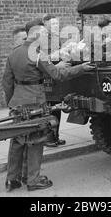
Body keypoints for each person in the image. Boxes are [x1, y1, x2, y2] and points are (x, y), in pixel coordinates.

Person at [2, 19, 94, 192]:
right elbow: (58, 74)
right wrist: (81, 68)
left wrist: (11, 101)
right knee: (36, 141)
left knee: (17, 141)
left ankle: (12, 179)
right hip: (34, 103)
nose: (46, 37)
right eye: (44, 34)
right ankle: (33, 180)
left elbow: (6, 82)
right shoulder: (37, 53)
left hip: (17, 103)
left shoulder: (13, 54)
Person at [42, 14, 66, 147]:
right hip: (48, 78)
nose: (57, 26)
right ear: (46, 24)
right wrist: (56, 64)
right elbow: (42, 60)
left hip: (56, 76)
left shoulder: (56, 38)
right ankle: (48, 137)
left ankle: (55, 136)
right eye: (54, 24)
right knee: (50, 109)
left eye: (57, 24)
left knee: (57, 108)